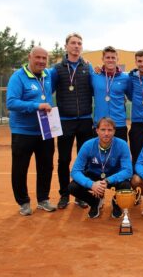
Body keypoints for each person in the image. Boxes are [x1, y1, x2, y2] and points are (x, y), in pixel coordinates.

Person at [6, 46, 57, 216]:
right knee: (20, 168)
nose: (41, 61)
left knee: (46, 167)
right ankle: (24, 202)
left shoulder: (48, 75)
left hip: (46, 129)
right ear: (30, 57)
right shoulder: (18, 77)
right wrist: (36, 106)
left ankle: (43, 199)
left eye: (44, 58)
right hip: (23, 132)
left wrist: (86, 63)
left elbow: (64, 69)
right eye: (38, 58)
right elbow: (11, 102)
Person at [49, 33, 93, 209]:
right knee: (64, 160)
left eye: (79, 43)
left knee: (84, 160)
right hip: (64, 121)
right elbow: (47, 91)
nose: (76, 46)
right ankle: (64, 194)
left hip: (85, 120)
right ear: (66, 46)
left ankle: (81, 195)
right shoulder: (57, 69)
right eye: (73, 43)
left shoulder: (88, 68)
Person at [69, 117, 132, 219]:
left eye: (110, 130)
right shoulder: (88, 145)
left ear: (114, 131)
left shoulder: (122, 145)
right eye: (103, 130)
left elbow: (128, 171)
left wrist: (108, 180)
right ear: (97, 130)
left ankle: (116, 203)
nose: (106, 133)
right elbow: (75, 171)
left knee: (126, 184)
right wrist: (91, 184)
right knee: (73, 187)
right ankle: (94, 202)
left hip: (112, 176)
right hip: (94, 176)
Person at [90, 46, 131, 141]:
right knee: (99, 155)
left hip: (119, 125)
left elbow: (131, 96)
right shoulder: (94, 76)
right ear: (102, 59)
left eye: (113, 57)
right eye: (107, 57)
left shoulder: (126, 78)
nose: (110, 60)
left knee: (119, 154)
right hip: (100, 125)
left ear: (117, 59)